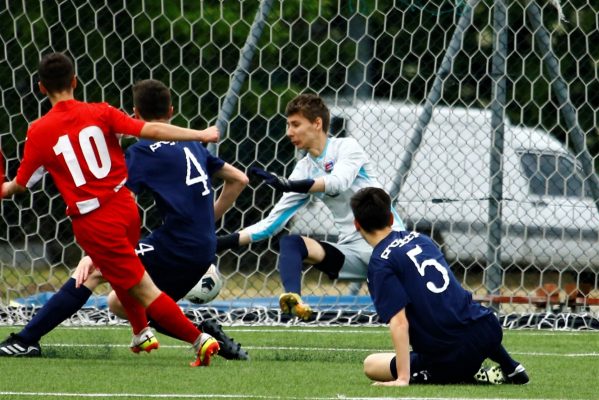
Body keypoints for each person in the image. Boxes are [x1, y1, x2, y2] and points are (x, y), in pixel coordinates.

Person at [0, 79, 249, 360]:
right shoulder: (191, 144)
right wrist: (205, 222)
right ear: (171, 111)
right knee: (119, 302)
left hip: (176, 244)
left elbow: (122, 202)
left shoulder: (141, 153)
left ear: (134, 113)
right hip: (202, 247)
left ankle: (25, 339)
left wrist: (95, 252)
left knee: (93, 272)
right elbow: (239, 179)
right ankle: (196, 334)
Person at [217, 93, 405, 320]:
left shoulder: (347, 147)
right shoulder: (304, 168)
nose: (289, 132)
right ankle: (293, 302)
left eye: (295, 124)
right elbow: (270, 224)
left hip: (390, 246)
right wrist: (216, 244)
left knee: (405, 319)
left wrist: (290, 185)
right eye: (288, 125)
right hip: (353, 252)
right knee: (291, 243)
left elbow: (338, 182)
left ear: (317, 123)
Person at [350, 187, 529, 385]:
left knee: (371, 364)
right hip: (487, 330)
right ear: (391, 218)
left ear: (357, 224)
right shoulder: (422, 239)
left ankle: (454, 374)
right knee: (460, 319)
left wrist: (402, 378)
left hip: (449, 355)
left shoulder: (380, 263)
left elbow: (399, 323)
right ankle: (509, 365)